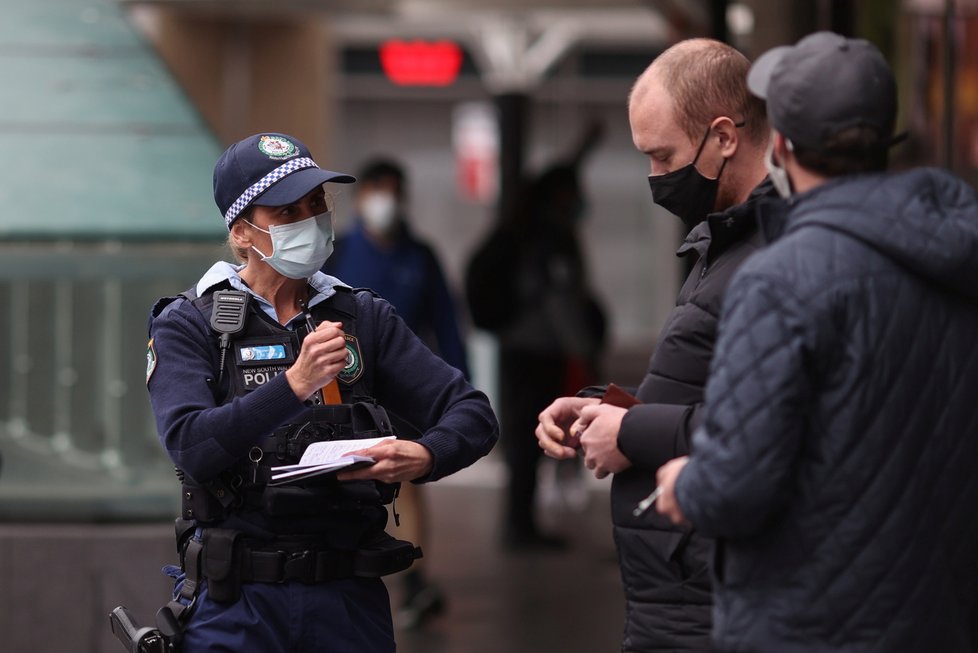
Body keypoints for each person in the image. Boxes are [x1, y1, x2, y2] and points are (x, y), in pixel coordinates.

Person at [655, 32, 978, 653]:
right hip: (941, 615)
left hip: (814, 623)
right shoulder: (955, 258)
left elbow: (735, 486)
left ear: (780, 146)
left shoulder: (780, 279)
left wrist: (685, 482)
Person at [145, 132, 498, 652]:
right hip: (235, 605)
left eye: (316, 204)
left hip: (347, 600)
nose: (309, 221)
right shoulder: (190, 322)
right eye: (287, 212)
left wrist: (423, 455)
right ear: (243, 233)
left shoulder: (364, 316)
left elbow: (473, 414)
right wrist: (294, 384)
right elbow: (192, 446)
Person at [535, 39, 772, 651]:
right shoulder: (724, 240)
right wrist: (602, 407)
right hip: (682, 588)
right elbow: (705, 389)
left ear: (724, 137)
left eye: (663, 156)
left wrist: (630, 433)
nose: (655, 178)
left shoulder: (773, 257)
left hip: (712, 593)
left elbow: (773, 427)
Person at [324, 157, 468, 628]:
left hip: (400, 391)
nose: (385, 202)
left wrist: (457, 391)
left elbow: (447, 325)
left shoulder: (419, 256)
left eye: (393, 191)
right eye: (377, 190)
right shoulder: (339, 252)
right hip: (341, 389)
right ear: (363, 196)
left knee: (403, 476)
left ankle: (414, 579)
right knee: (341, 475)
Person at [466, 124, 607, 551]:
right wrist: (583, 347)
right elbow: (558, 301)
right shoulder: (549, 240)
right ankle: (520, 528)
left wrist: (585, 144)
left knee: (525, 440)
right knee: (533, 439)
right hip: (538, 351)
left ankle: (520, 524)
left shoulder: (525, 229)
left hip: (518, 348)